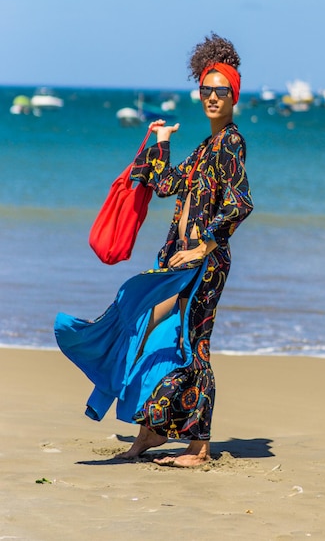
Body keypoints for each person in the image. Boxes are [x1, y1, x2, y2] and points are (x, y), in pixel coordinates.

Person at [54, 33, 253, 468]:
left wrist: (203, 246)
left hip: (204, 264)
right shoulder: (205, 148)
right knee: (153, 329)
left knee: (193, 344)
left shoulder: (231, 144)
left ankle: (198, 447)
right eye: (206, 89)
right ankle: (150, 431)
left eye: (222, 90)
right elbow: (165, 185)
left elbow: (240, 203)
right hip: (179, 265)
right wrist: (160, 140)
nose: (213, 97)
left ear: (234, 95)